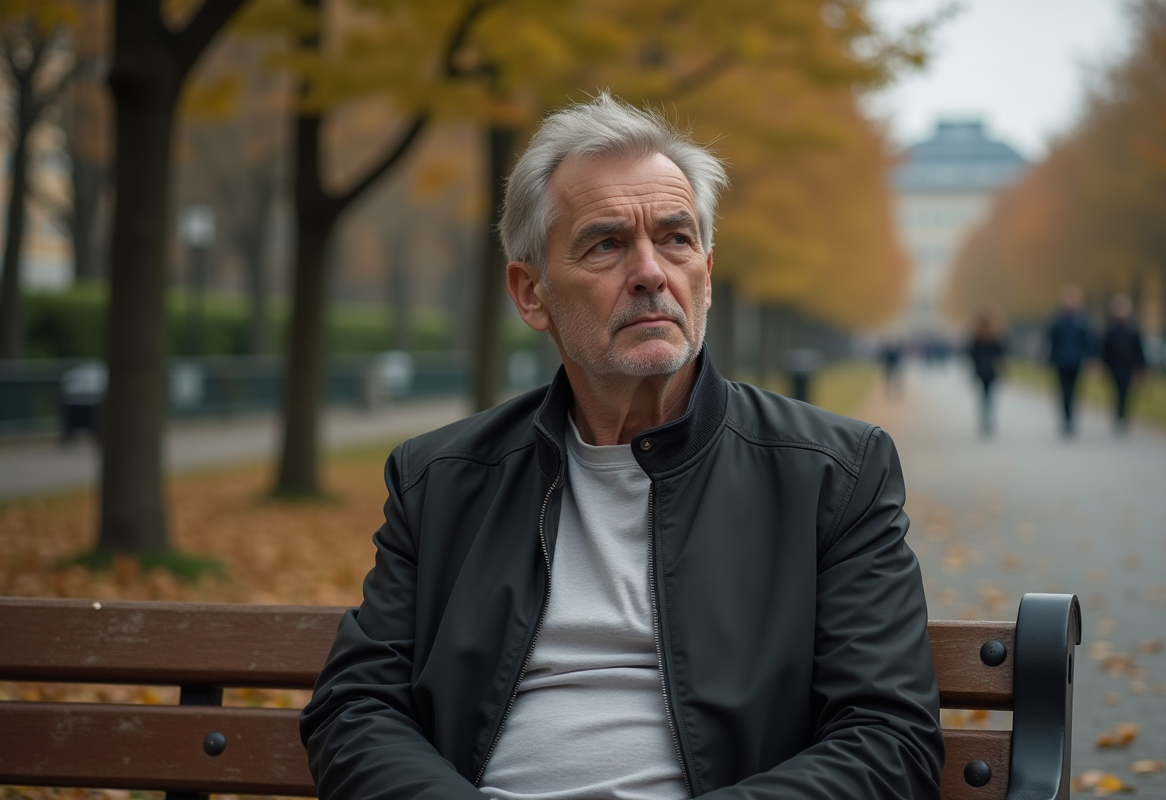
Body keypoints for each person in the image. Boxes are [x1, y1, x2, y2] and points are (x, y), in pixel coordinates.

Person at [299, 93, 944, 800]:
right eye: (606, 243)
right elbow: (355, 709)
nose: (650, 273)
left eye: (676, 238)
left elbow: (889, 740)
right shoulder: (441, 480)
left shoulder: (833, 477)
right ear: (531, 293)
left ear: (705, 272)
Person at [1046, 284, 1095, 436]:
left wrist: (1090, 359)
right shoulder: (1058, 319)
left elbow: (1089, 341)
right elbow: (1052, 341)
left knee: (1075, 392)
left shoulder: (1083, 319)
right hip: (1061, 361)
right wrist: (1050, 360)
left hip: (1077, 361)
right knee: (1063, 392)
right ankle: (1066, 419)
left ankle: (1072, 419)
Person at [1101, 295, 1145, 433]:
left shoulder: (1133, 330)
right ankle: (1119, 415)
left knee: (1126, 392)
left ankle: (1123, 416)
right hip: (1114, 366)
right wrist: (1104, 367)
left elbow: (1139, 350)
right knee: (1116, 391)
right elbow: (1105, 351)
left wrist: (1141, 368)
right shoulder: (1110, 330)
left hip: (1129, 366)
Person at [966, 310, 1006, 437]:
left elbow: (971, 353)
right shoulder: (995, 336)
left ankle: (984, 418)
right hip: (991, 369)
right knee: (990, 396)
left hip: (980, 369)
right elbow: (1001, 353)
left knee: (983, 396)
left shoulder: (976, 336)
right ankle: (989, 418)